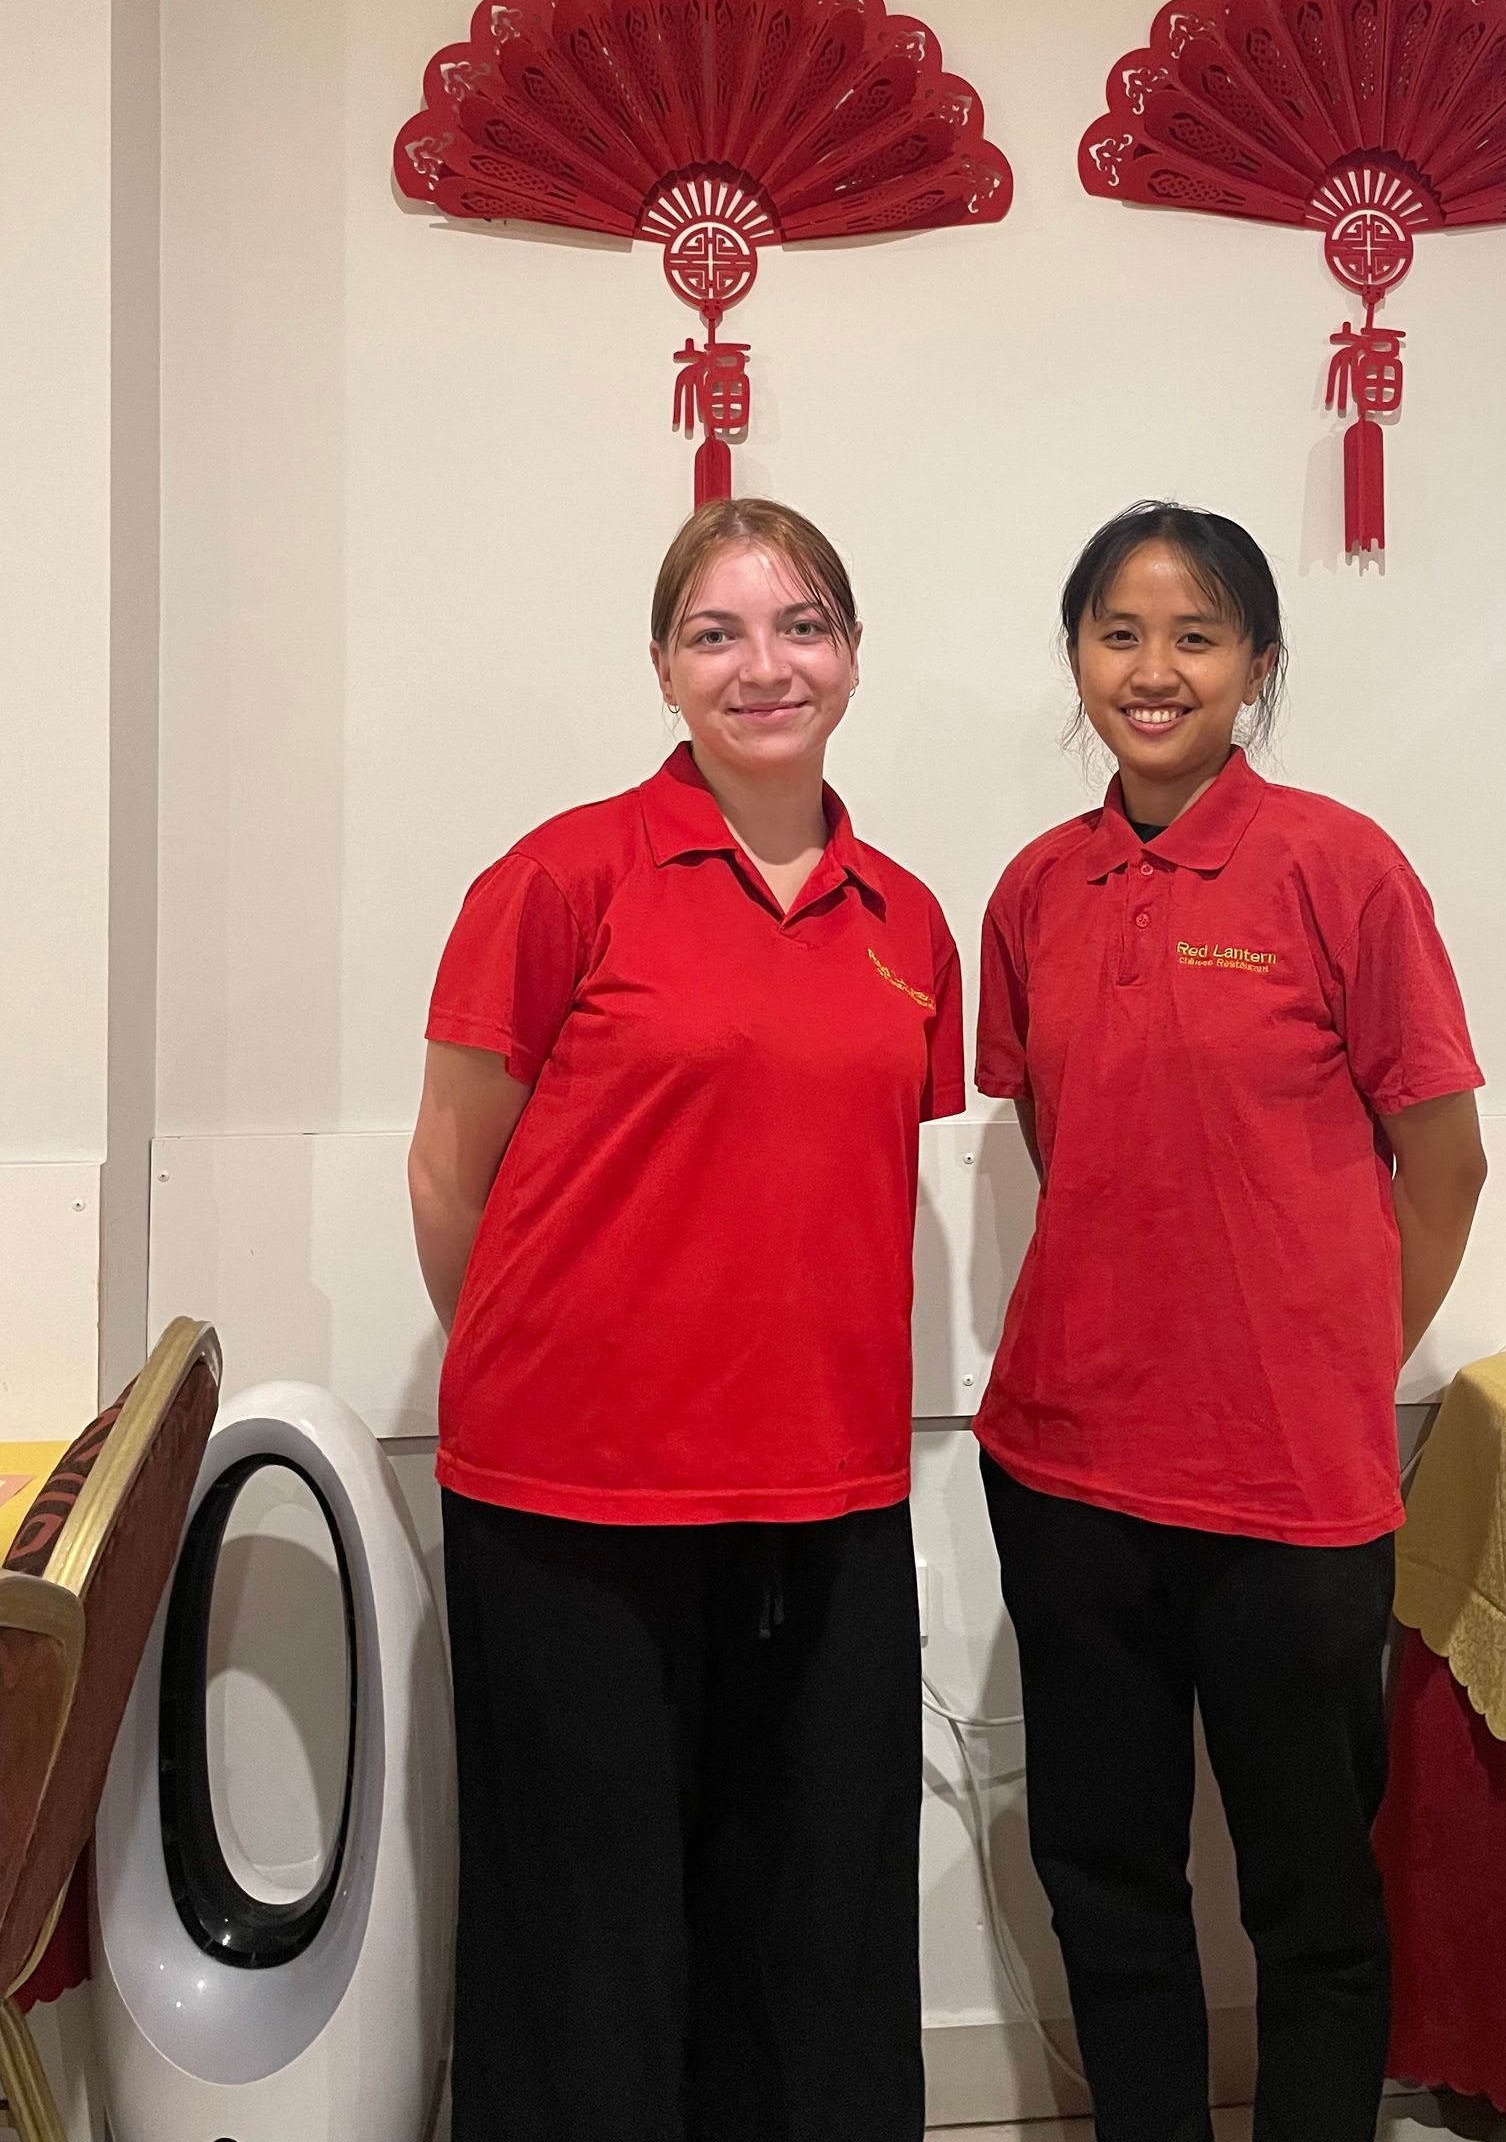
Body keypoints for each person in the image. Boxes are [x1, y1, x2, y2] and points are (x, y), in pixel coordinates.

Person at [406, 497, 963, 2142]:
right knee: (585, 1935)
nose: (762, 665)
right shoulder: (562, 877)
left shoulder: (908, 921)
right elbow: (453, 1177)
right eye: (716, 633)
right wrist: (562, 1369)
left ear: (852, 658)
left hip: (825, 1494)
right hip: (574, 1499)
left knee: (816, 1923)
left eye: (799, 626)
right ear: (662, 668)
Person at [974, 501, 1486, 2142]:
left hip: (1291, 1495)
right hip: (1067, 1476)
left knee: (1311, 1903)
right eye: (1119, 633)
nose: (1154, 668)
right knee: (1107, 1882)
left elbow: (1449, 1160)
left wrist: (1335, 1363)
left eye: (1197, 635)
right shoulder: (1037, 890)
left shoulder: (1342, 865)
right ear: (1075, 659)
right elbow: (1071, 1143)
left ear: (1259, 664)